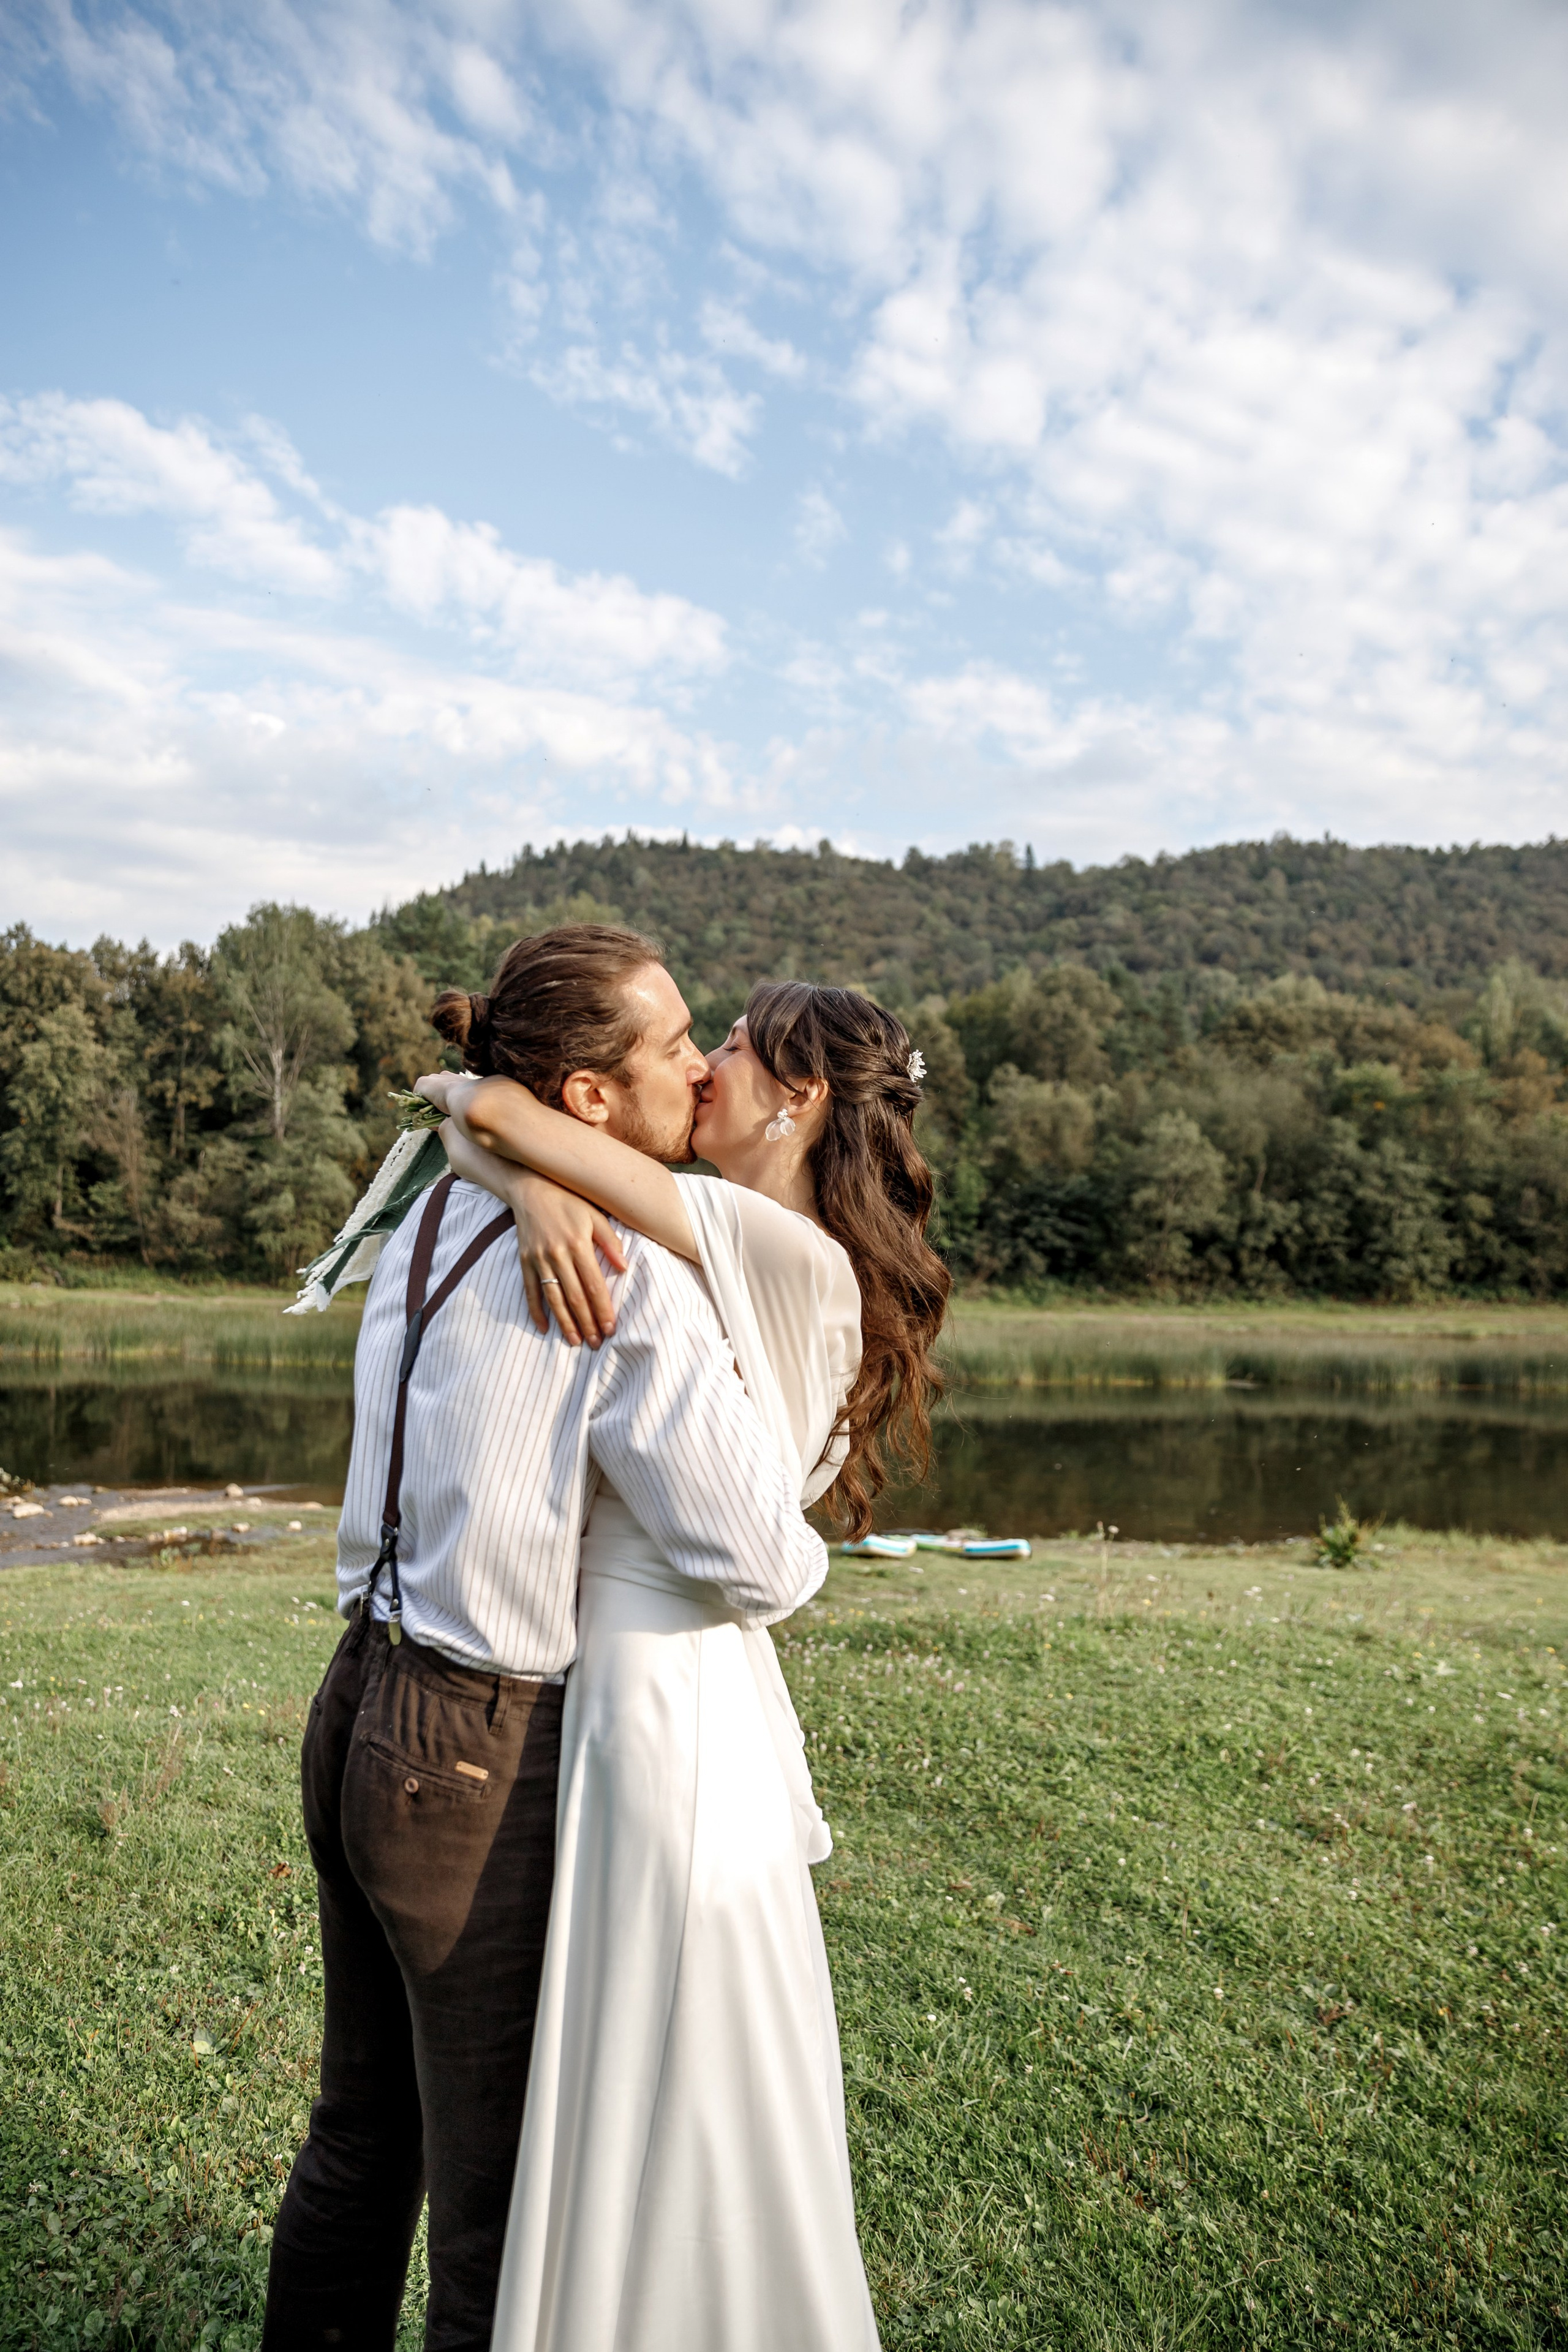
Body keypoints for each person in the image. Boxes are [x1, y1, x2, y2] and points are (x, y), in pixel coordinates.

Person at [260, 926, 832, 2352]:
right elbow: (756, 1558)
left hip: (352, 1704)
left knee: (358, 2141)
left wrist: (504, 1161)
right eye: (673, 1042)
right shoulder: (618, 1268)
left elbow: (451, 1125)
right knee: (494, 2217)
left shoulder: (435, 1219)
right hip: (466, 1755)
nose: (702, 1064)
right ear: (587, 1100)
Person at [413, 980, 950, 2352]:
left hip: (658, 1699)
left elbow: (469, 1105)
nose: (702, 1066)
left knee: (657, 2048)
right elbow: (499, 1134)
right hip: (673, 1682)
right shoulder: (774, 1240)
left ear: (797, 1097)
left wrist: (532, 1175)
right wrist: (542, 1189)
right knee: (673, 2056)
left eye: (728, 1048)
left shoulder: (762, 1240)